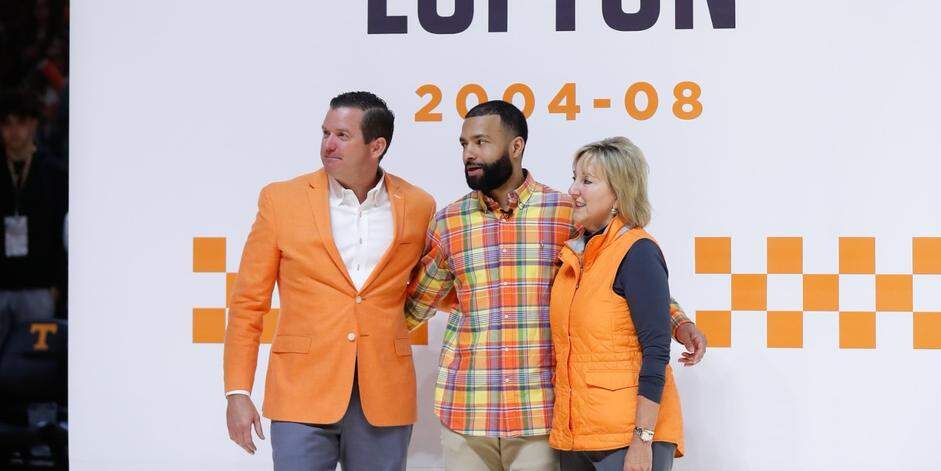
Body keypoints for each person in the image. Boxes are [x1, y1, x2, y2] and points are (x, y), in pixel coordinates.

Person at [404, 101, 706, 471]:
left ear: (516, 147)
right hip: (468, 411)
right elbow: (413, 307)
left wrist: (677, 321)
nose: (469, 153)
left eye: (481, 142)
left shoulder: (565, 213)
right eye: (464, 144)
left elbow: (620, 270)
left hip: (540, 415)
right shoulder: (449, 222)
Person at [223, 92, 436, 471]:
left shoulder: (419, 205)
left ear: (377, 145)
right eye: (325, 133)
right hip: (300, 391)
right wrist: (237, 392)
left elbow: (428, 285)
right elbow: (248, 303)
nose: (328, 144)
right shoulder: (280, 200)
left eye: (342, 135)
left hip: (384, 395)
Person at [550, 137, 683, 471]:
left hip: (627, 442)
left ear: (619, 194)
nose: (573, 190)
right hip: (576, 437)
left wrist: (642, 439)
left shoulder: (638, 251)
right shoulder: (576, 255)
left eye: (587, 181)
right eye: (574, 177)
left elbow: (656, 351)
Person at [0, 89, 65, 346]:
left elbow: (63, 232)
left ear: (34, 125)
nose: (15, 132)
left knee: (36, 367)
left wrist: (58, 286)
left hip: (39, 286)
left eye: (21, 123)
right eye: (7, 124)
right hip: (3, 283)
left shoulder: (53, 173)